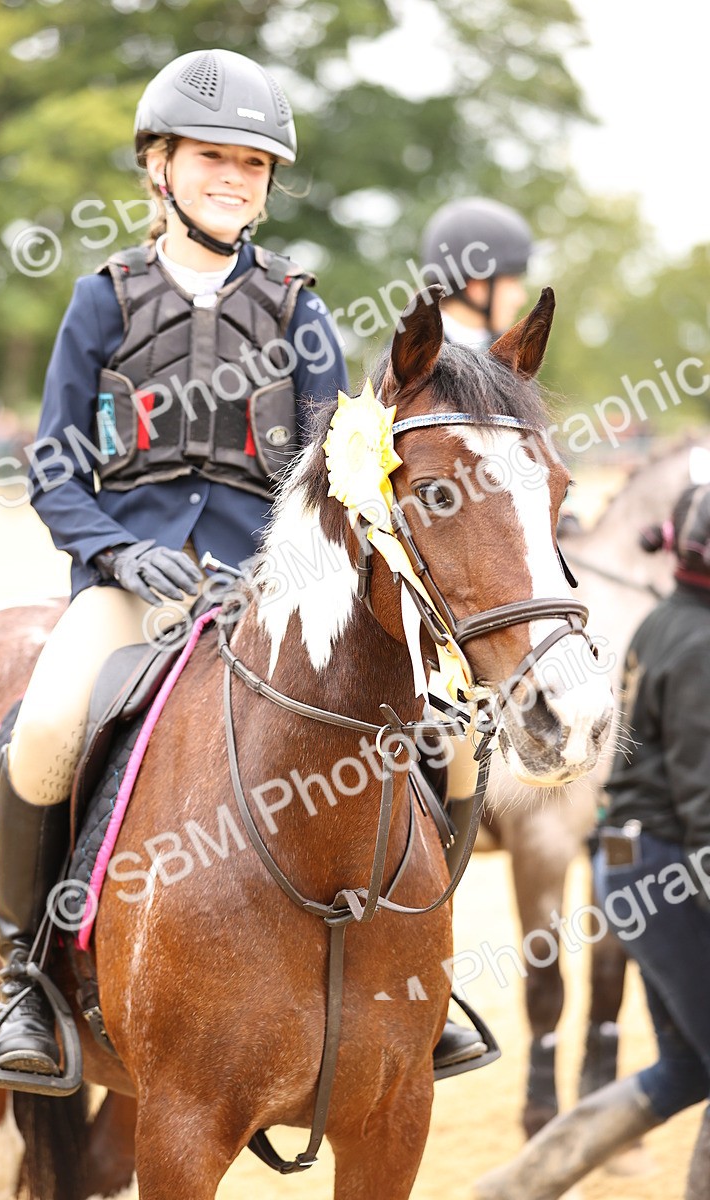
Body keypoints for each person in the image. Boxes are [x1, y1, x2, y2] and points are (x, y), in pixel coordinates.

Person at [0, 47, 349, 1085]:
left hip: (263, 592)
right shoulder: (103, 302)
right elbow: (55, 468)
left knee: (399, 725)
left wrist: (284, 570)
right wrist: (117, 554)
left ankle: (416, 967)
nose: (232, 178)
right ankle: (24, 980)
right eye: (209, 158)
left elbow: (330, 475)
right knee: (50, 721)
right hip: (129, 587)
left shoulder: (298, 312)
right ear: (160, 167)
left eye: (251, 163)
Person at [473, 483, 710, 1199]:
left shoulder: (661, 621)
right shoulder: (699, 644)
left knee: (685, 1070)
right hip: (664, 866)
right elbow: (704, 804)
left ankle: (520, 1184)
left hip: (631, 862)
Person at [419, 196, 533, 1075]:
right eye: (513, 276)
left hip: (495, 593)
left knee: (456, 755)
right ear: (478, 279)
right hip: (435, 601)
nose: (522, 291)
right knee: (447, 742)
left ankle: (428, 969)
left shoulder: (502, 369)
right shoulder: (429, 369)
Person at [420, 196, 532, 348]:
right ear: (477, 287)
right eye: (512, 281)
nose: (521, 298)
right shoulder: (416, 363)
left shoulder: (504, 350)